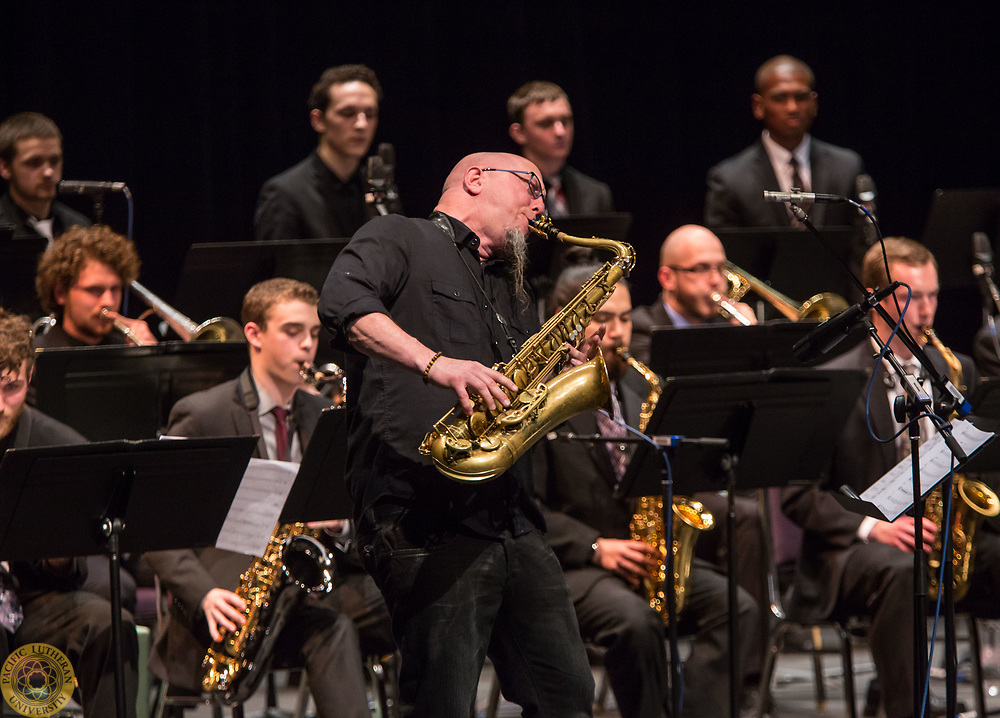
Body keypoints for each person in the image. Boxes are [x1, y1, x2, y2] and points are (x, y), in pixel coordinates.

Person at [319, 151, 596, 716]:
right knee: (442, 703)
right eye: (532, 188)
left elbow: (508, 394)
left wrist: (554, 377)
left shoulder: (510, 288)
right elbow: (343, 302)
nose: (541, 206)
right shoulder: (399, 235)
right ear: (475, 179)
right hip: (424, 514)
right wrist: (436, 363)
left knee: (567, 695)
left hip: (510, 514)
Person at [144, 278, 392, 718]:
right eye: (293, 332)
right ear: (254, 334)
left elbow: (351, 505)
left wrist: (339, 523)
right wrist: (203, 594)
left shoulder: (323, 413)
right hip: (230, 597)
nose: (307, 346)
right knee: (334, 628)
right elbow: (154, 523)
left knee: (414, 599)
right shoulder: (202, 413)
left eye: (314, 334)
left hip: (304, 586)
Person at [781, 237, 1000, 718]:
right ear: (878, 299)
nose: (926, 310)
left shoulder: (952, 369)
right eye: (912, 297)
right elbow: (798, 497)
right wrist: (873, 526)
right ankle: (908, 708)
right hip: (853, 550)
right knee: (901, 571)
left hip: (936, 533)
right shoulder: (836, 378)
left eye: (933, 295)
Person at [534, 265, 758, 718]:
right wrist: (597, 547)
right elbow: (527, 509)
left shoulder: (638, 384)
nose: (616, 333)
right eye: (602, 320)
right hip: (572, 564)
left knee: (739, 609)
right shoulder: (539, 397)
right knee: (636, 622)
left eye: (624, 318)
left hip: (642, 551)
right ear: (562, 318)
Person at [0, 307, 139, 718]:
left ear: (29, 377)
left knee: (110, 624)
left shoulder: (57, 445)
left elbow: (66, 573)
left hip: (28, 601)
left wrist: (62, 552)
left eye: (10, 388)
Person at [704, 55, 865, 230]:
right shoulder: (730, 179)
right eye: (779, 98)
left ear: (814, 103)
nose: (792, 108)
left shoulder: (846, 167)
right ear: (758, 105)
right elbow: (724, 250)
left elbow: (863, 240)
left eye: (801, 97)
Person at [255, 64, 397, 242]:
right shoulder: (284, 194)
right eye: (347, 113)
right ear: (318, 120)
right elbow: (276, 268)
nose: (362, 125)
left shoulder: (379, 188)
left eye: (370, 114)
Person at [630, 224, 756, 365]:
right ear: (667, 278)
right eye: (701, 269)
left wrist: (750, 340)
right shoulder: (641, 328)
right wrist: (728, 346)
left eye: (720, 268)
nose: (716, 280)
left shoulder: (725, 324)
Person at [33, 224, 156, 348]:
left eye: (115, 289)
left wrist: (148, 358)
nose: (109, 301)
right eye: (95, 290)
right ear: (60, 293)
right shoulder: (37, 355)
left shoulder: (129, 347)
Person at [507, 81, 613, 218]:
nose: (560, 132)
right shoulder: (505, 193)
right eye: (545, 123)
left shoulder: (596, 193)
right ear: (519, 133)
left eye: (565, 121)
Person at [0, 112, 90, 244]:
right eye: (34, 162)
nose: (48, 172)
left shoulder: (78, 226)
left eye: (54, 161)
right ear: (5, 167)